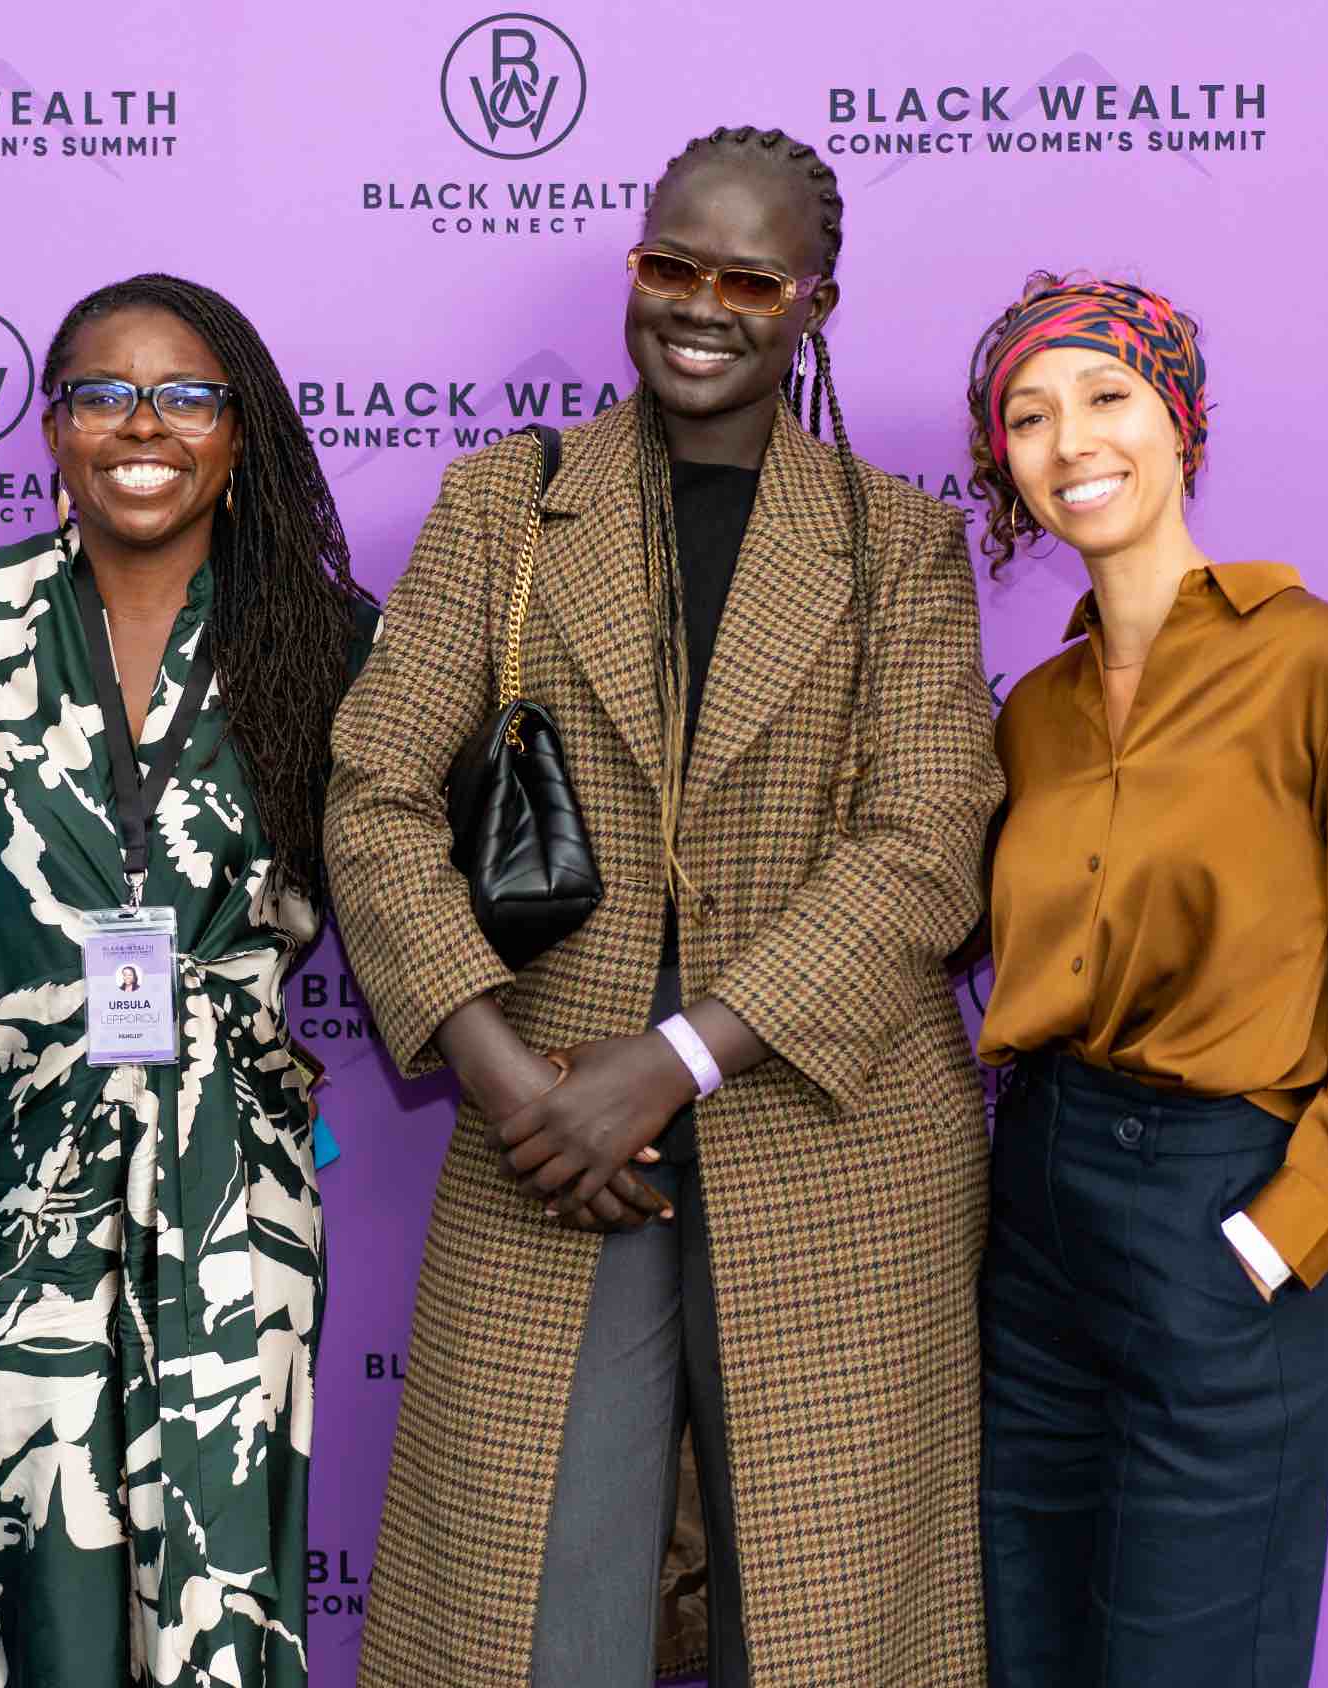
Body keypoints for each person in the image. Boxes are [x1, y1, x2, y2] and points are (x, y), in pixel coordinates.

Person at [327, 125, 1003, 1688]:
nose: (701, 306)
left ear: (813, 303)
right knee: (526, 1616)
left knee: (828, 1631)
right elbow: (372, 793)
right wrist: (507, 1080)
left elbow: (921, 842)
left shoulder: (897, 542)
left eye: (748, 280)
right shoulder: (502, 505)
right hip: (548, 1136)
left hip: (837, 1138)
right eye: (669, 266)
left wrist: (676, 1057)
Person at [0, 273, 376, 1688]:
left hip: (236, 1167)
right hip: (7, 1171)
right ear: (53, 427)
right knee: (42, 1571)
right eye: (104, 394)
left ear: (239, 429)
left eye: (186, 397)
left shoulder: (327, 637)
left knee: (225, 1580)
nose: (143, 426)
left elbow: (406, 881)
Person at [965, 273, 1328, 1687]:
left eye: (1105, 396)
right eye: (1027, 416)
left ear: (1178, 422)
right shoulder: (1031, 713)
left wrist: (1274, 1237)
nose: (1070, 442)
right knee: (1027, 1644)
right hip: (1035, 1208)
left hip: (1216, 1203)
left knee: (1191, 1657)